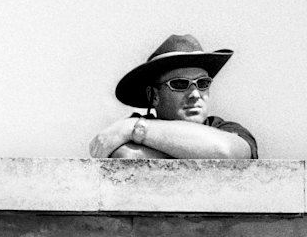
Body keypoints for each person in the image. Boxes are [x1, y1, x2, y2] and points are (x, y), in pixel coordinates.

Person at [89, 34, 257, 159]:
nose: (195, 94)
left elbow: (227, 152)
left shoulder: (225, 129)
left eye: (203, 83)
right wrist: (199, 152)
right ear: (153, 95)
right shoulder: (129, 134)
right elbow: (127, 158)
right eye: (180, 84)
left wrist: (133, 128)